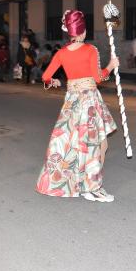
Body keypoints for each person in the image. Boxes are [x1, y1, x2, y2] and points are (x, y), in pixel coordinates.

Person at [36, 10, 119, 202]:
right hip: (89, 102)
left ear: (70, 32)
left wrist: (54, 82)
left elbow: (45, 76)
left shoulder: (61, 53)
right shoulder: (91, 50)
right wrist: (111, 66)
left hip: (72, 103)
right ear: (83, 31)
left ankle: (84, 185)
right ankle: (94, 187)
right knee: (99, 144)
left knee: (79, 145)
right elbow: (98, 78)